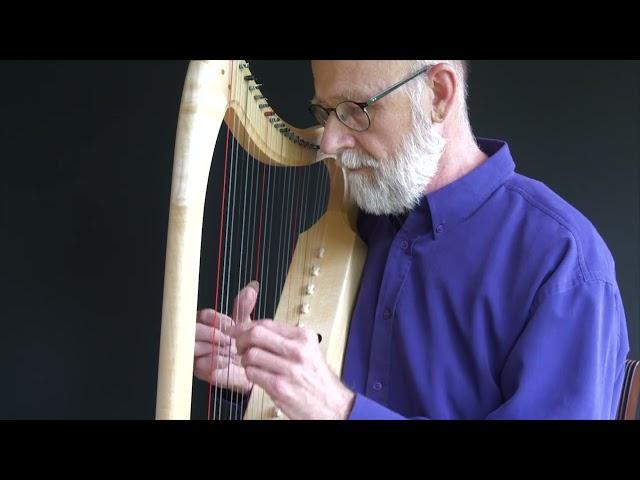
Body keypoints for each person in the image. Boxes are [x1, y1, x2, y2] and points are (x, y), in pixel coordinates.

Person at [193, 60, 630, 419]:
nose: (329, 140)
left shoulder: (564, 263)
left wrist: (340, 410)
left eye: (355, 109)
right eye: (325, 112)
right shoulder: (366, 221)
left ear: (438, 95)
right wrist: (265, 379)